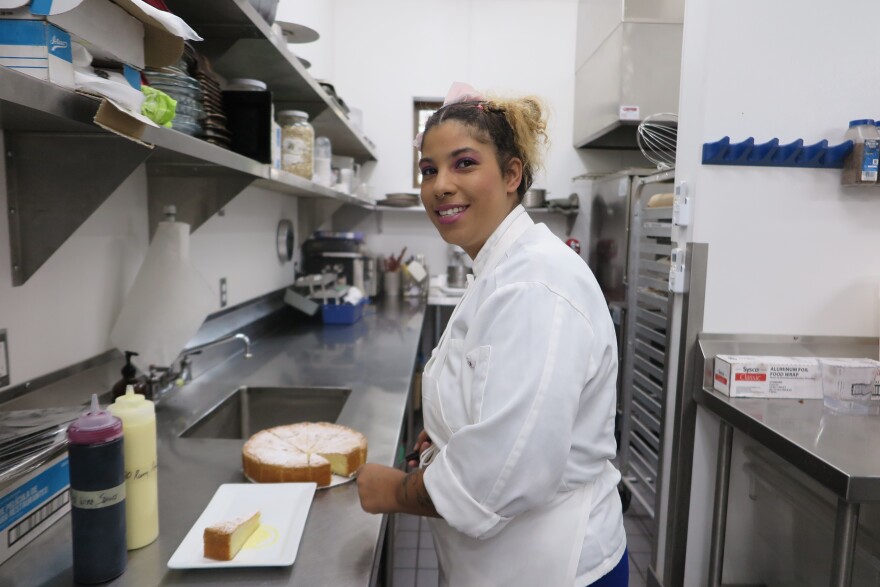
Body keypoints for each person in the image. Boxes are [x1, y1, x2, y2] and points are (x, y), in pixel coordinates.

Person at [357, 82, 627, 587]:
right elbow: (496, 391)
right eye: (429, 169)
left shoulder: (535, 285)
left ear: (510, 174)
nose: (440, 185)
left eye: (463, 163)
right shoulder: (501, 268)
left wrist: (395, 491)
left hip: (552, 567)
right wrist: (445, 430)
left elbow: (506, 474)